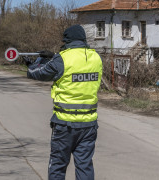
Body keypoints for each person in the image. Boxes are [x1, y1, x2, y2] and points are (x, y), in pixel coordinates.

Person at [26, 25, 102, 180]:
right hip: (89, 124)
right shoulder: (96, 58)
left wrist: (34, 63)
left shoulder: (62, 59)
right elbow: (77, 66)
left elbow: (37, 73)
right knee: (85, 165)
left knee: (58, 165)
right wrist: (53, 56)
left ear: (66, 40)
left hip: (65, 124)